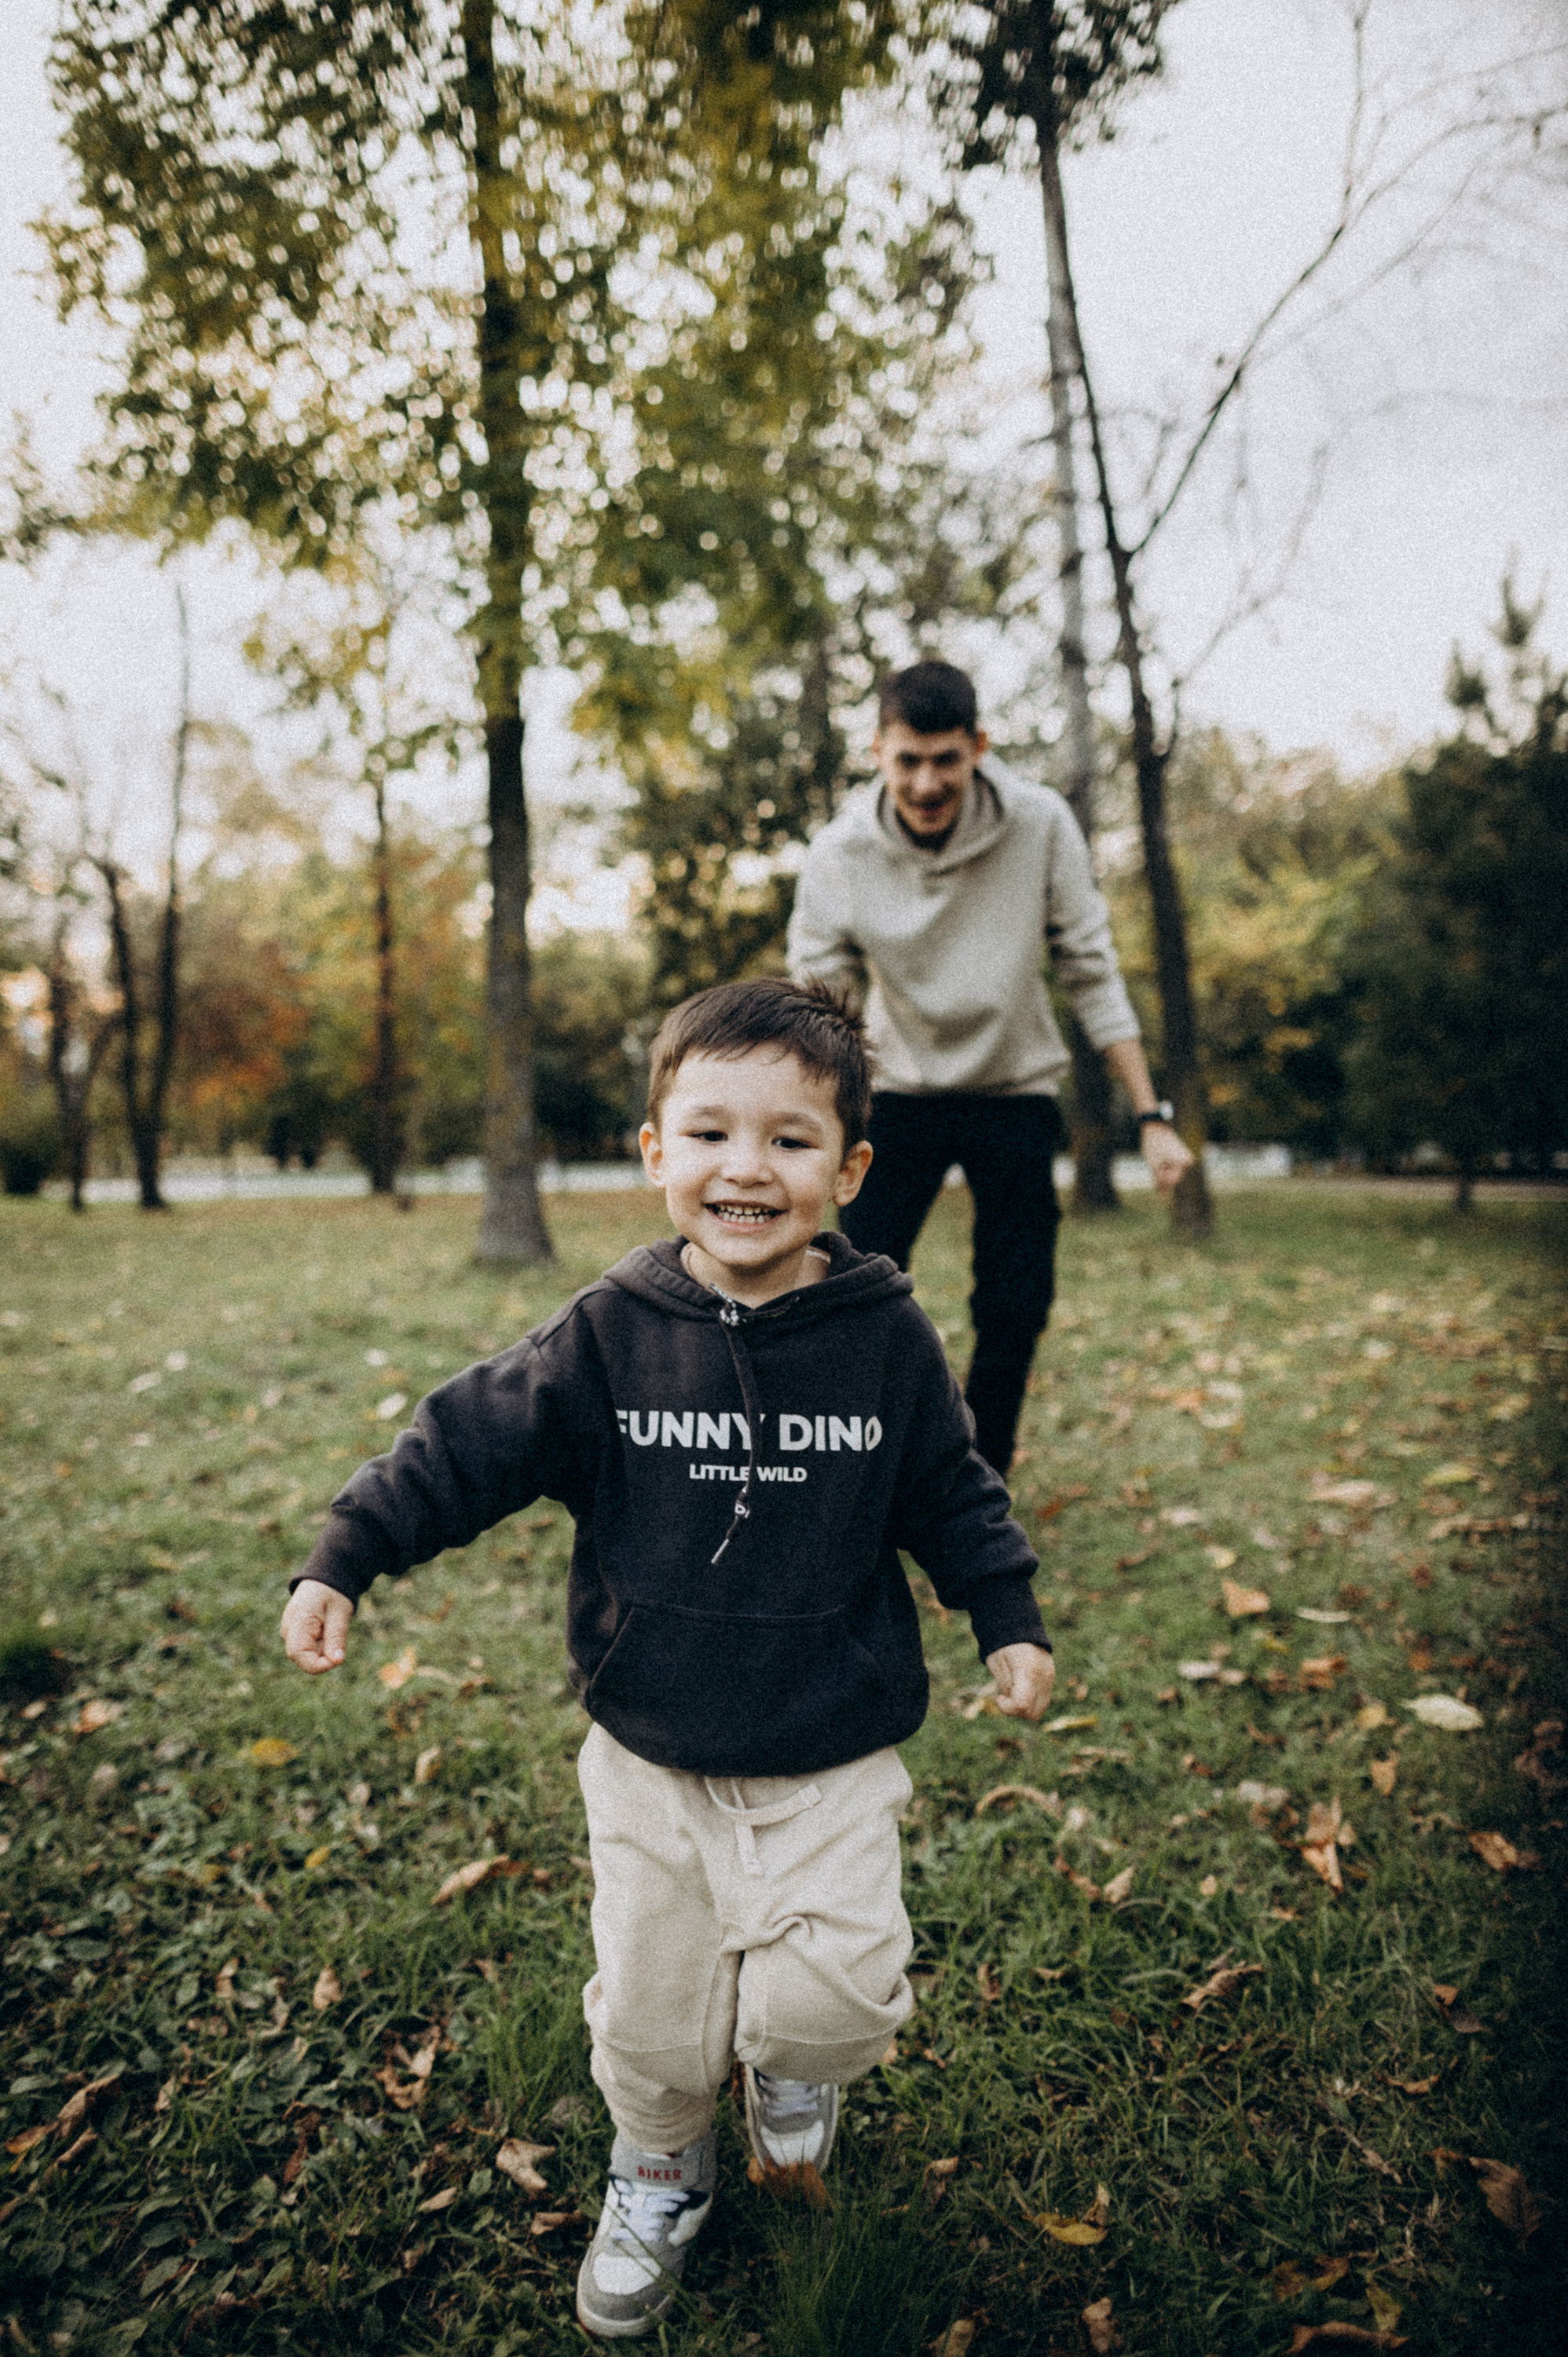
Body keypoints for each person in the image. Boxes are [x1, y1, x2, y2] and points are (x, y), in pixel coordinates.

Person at [279, 977, 1054, 2341]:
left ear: (851, 1168)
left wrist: (1007, 1614)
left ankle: (796, 2077)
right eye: (707, 1134)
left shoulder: (882, 1338)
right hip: (650, 1752)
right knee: (653, 2014)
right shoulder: (606, 1336)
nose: (744, 1168)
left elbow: (952, 1487)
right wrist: (346, 1553)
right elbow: (465, 1446)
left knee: (836, 1997)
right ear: (654, 1155)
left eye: (789, 1140)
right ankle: (658, 2165)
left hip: (830, 1742)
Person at [787, 658, 1192, 1479]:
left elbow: (1089, 969)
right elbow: (814, 999)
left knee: (1013, 1304)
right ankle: (862, 1472)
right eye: (908, 760)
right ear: (878, 753)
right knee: (848, 1294)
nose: (927, 781)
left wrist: (1149, 1116)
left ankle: (978, 1477)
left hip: (1012, 1091)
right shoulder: (839, 853)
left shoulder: (1039, 824)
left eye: (946, 758)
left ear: (978, 746)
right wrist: (809, 1119)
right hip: (896, 1094)